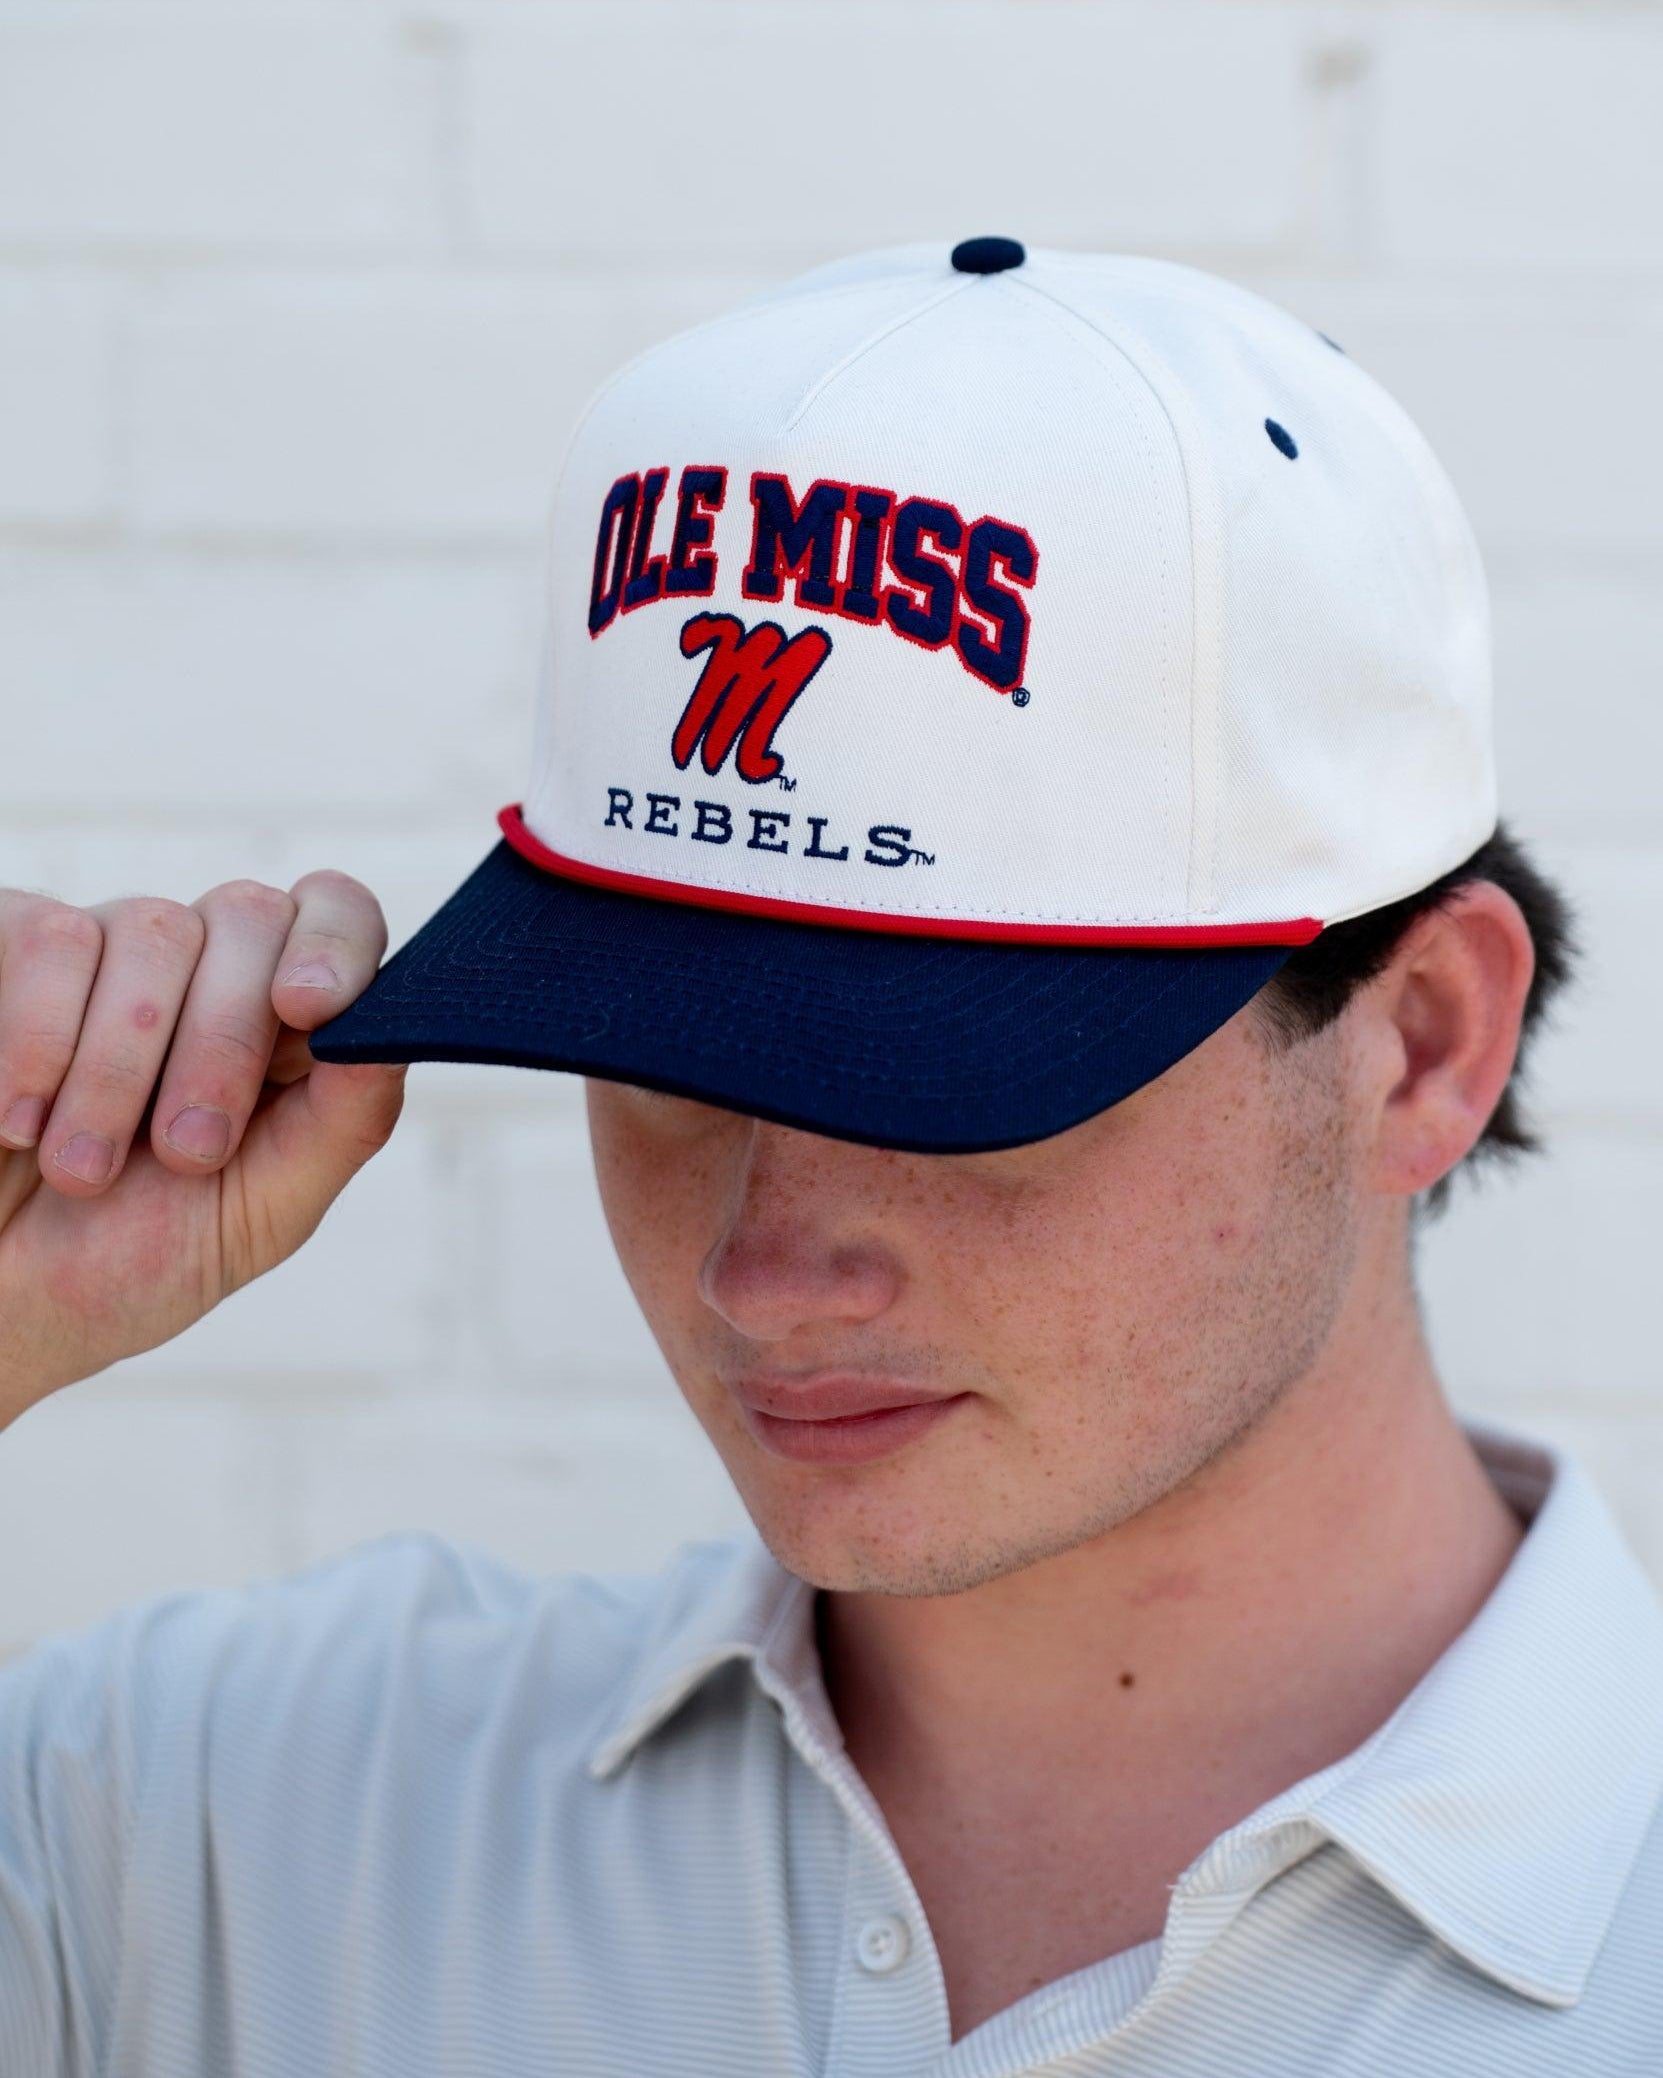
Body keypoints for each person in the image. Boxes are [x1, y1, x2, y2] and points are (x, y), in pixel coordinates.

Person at [1, 239, 1659, 2077]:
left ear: (1420, 1044)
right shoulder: (212, 1827)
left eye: (939, 1082)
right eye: (666, 1062)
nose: (761, 1270)